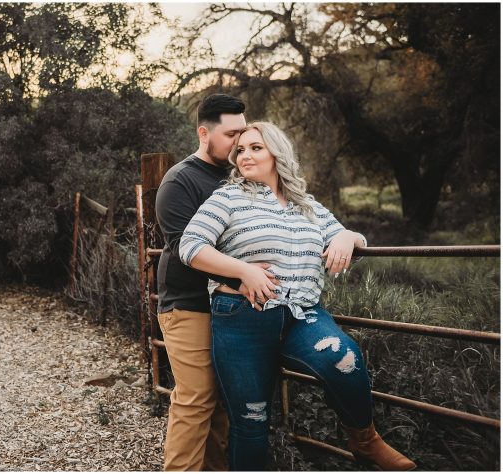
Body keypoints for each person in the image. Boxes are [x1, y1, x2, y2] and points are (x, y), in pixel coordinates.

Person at [178, 121, 416, 471]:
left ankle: (365, 441)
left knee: (344, 361)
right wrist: (243, 270)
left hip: (302, 315)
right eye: (240, 150)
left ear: (277, 152)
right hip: (241, 318)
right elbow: (190, 246)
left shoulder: (308, 206)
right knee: (251, 421)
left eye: (256, 147)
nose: (245, 155)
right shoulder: (227, 197)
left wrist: (347, 237)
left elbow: (353, 237)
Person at [154, 93, 278, 471]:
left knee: (224, 399)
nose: (240, 144)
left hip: (233, 307)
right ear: (204, 133)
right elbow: (182, 249)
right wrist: (240, 275)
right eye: (232, 135)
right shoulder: (180, 181)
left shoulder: (240, 174)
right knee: (195, 398)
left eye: (245, 134)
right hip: (189, 304)